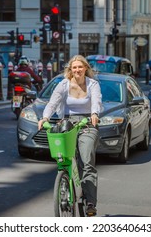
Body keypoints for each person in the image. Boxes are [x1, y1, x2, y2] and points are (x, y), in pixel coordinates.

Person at [38, 55, 103, 216]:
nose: (77, 70)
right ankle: (66, 181)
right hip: (67, 123)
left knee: (86, 160)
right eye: (74, 67)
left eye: (80, 67)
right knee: (63, 157)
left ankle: (90, 202)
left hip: (88, 123)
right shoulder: (64, 84)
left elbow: (97, 101)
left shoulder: (93, 84)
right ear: (70, 69)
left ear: (85, 68)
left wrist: (95, 113)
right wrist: (45, 117)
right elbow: (52, 103)